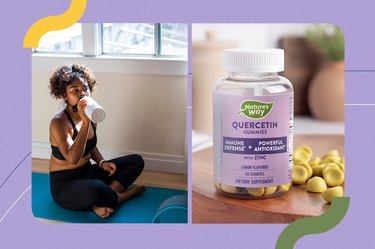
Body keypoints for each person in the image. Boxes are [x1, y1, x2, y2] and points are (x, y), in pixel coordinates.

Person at [48, 64, 146, 218]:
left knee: (136, 161)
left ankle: (103, 198)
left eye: (85, 88)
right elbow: (73, 159)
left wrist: (102, 163)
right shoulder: (58, 123)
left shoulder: (92, 114)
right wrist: (85, 123)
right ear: (64, 95)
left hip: (87, 172)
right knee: (96, 188)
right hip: (65, 184)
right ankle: (123, 196)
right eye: (75, 90)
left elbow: (90, 146)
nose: (82, 93)